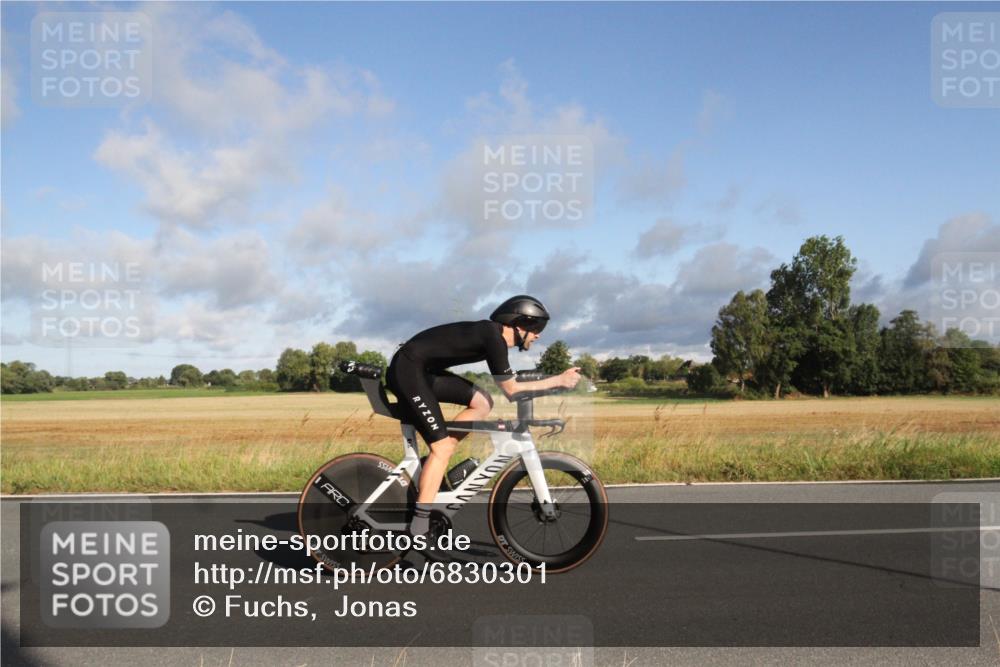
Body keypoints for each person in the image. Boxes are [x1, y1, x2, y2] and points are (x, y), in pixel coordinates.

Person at [385, 295, 581, 538]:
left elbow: (510, 383)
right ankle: (419, 528)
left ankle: (437, 461)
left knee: (482, 402)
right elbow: (511, 390)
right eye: (536, 327)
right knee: (442, 449)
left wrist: (549, 382)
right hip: (408, 369)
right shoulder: (493, 337)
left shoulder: (491, 336)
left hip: (422, 370)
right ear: (519, 324)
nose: (538, 335)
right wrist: (558, 381)